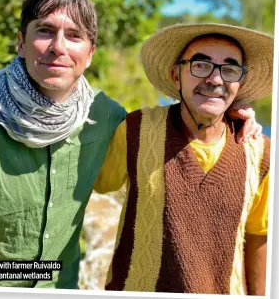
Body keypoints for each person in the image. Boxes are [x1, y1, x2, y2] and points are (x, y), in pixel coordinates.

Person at [0, 0, 261, 289]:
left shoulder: (106, 116)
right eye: (44, 30)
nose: (59, 46)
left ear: (91, 53)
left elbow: (183, 118)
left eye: (74, 36)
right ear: (21, 42)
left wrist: (224, 110)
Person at [94, 23, 273, 295]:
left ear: (241, 84)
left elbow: (259, 235)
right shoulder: (134, 131)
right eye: (200, 65)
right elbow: (96, 184)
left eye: (229, 70)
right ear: (176, 74)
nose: (215, 79)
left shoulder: (260, 152)